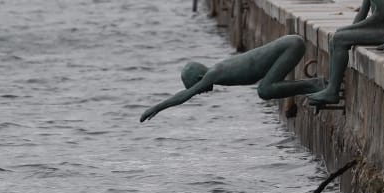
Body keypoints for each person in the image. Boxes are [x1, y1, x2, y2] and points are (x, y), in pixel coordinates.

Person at [138, 34, 323, 122]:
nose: (200, 91)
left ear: (200, 77)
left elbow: (185, 96)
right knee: (265, 89)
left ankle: (315, 85)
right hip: (290, 43)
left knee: (265, 90)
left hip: (291, 45)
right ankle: (315, 85)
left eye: (197, 85)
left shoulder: (213, 74)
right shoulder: (217, 71)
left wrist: (157, 107)